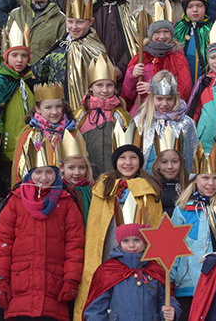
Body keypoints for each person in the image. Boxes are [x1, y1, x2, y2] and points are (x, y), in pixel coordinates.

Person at [0, 141, 85, 321]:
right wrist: (0, 279)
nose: (44, 177)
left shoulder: (66, 201)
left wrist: (71, 279)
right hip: (19, 288)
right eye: (38, 172)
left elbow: (75, 245)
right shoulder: (15, 200)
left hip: (54, 289)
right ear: (29, 174)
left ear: (57, 172)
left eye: (49, 172)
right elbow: (2, 243)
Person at [73, 135, 163, 320]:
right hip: (109, 255)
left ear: (140, 161)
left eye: (133, 158)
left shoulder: (150, 189)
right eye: (123, 158)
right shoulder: (103, 188)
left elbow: (156, 228)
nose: (127, 162)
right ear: (115, 162)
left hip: (140, 259)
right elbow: (95, 228)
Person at [171, 143, 216, 320]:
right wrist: (170, 280)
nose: (210, 183)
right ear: (195, 178)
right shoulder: (182, 208)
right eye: (205, 177)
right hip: (189, 284)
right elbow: (173, 247)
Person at [83, 222, 181, 320]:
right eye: (125, 241)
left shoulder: (154, 269)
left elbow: (165, 299)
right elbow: (96, 309)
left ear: (145, 242)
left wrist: (171, 311)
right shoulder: (108, 271)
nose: (131, 245)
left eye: (137, 240)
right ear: (119, 243)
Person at [33, 0, 108, 110]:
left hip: (85, 109)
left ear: (91, 22)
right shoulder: (61, 45)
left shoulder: (95, 49)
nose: (74, 27)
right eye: (70, 21)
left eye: (80, 22)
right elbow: (39, 72)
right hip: (58, 108)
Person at [0, 22, 34, 192]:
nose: (19, 60)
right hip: (9, 141)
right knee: (10, 183)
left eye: (24, 55)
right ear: (6, 56)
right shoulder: (1, 80)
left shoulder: (29, 79)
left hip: (28, 141)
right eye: (14, 55)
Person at [12, 82, 78, 185]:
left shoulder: (71, 130)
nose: (55, 112)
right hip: (39, 186)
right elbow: (21, 167)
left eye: (58, 106)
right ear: (37, 108)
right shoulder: (31, 133)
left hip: (67, 189)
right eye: (48, 107)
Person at [77, 54, 131, 180]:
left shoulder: (121, 115)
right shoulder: (80, 115)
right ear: (90, 87)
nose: (105, 90)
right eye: (99, 85)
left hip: (115, 177)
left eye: (109, 85)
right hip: (89, 178)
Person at [122, 20, 192, 114]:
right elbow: (128, 94)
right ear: (151, 35)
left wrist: (154, 89)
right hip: (142, 111)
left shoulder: (178, 59)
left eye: (166, 32)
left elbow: (184, 90)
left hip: (166, 111)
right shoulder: (141, 57)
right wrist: (132, 76)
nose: (162, 36)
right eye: (157, 32)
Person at [134, 71, 198, 172]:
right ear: (151, 97)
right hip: (148, 180)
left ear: (176, 97)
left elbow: (193, 157)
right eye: (159, 99)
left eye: (169, 99)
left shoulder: (186, 123)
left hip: (176, 180)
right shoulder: (141, 121)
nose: (164, 103)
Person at [91, 0, 139, 79]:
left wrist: (122, 67)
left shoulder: (128, 3)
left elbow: (135, 38)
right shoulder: (93, 6)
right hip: (99, 69)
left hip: (127, 69)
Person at [174, 0, 212, 84]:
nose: (195, 10)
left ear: (205, 8)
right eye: (190, 6)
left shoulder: (211, 28)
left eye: (199, 6)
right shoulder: (179, 27)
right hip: (183, 78)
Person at [59, 129, 93, 228]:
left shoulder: (91, 189)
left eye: (81, 168)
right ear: (62, 168)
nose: (77, 173)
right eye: (71, 168)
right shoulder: (60, 190)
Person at [152, 149, 189, 216]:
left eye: (175, 161)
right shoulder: (151, 187)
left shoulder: (189, 186)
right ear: (158, 165)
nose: (170, 167)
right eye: (164, 162)